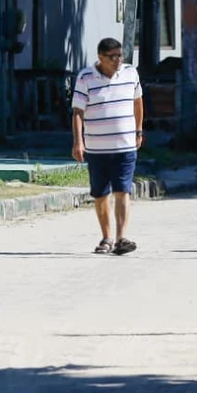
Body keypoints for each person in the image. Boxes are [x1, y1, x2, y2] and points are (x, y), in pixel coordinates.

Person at [72, 38, 144, 255]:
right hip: (97, 148)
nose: (117, 60)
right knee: (101, 194)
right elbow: (78, 112)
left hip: (125, 146)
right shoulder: (85, 77)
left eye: (120, 55)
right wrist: (78, 142)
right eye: (112, 57)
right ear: (100, 57)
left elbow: (138, 102)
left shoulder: (130, 73)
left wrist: (139, 130)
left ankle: (121, 239)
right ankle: (106, 238)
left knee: (123, 191)